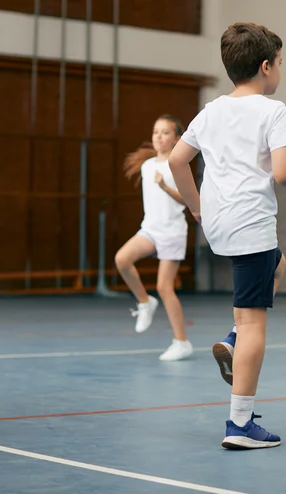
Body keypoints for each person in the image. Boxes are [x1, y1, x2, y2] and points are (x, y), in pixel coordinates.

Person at [169, 22, 286, 450]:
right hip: (251, 225)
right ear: (266, 67)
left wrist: (195, 206)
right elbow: (283, 174)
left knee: (278, 265)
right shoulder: (272, 110)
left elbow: (176, 160)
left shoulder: (210, 111)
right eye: (280, 63)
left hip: (220, 225)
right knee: (253, 322)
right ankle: (240, 424)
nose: (280, 70)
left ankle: (231, 337)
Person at [115, 115, 194, 361]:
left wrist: (165, 188)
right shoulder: (147, 166)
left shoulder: (179, 164)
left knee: (164, 287)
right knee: (122, 260)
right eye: (155, 132)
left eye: (165, 132)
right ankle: (144, 302)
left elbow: (190, 200)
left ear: (177, 138)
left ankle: (181, 342)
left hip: (172, 231)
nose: (158, 137)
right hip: (150, 229)